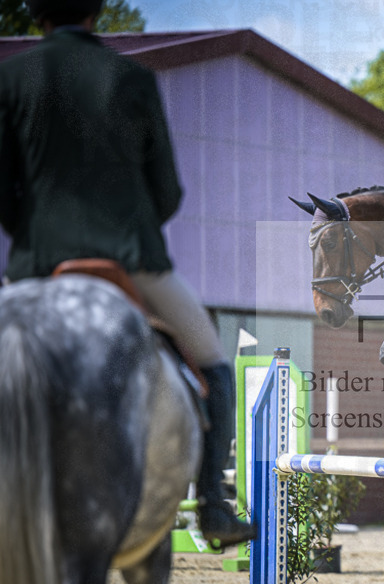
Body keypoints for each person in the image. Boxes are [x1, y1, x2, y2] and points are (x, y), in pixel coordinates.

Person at [0, 0, 255, 547]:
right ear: (96, 12)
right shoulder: (132, 77)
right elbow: (167, 189)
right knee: (211, 361)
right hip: (130, 260)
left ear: (35, 14)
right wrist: (128, 236)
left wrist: (35, 237)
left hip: (37, 264)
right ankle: (213, 503)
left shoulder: (10, 76)